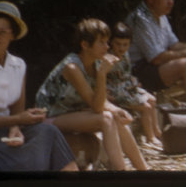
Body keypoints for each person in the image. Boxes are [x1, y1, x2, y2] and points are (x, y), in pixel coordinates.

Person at [0, 1, 78, 172]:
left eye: (2, 32)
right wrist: (17, 120)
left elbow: (17, 111)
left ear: (13, 35)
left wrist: (15, 128)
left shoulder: (18, 65)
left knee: (49, 132)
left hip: (3, 135)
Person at [35, 18, 148, 170]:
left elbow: (99, 102)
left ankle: (144, 170)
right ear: (85, 45)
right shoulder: (73, 68)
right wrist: (102, 75)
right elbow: (96, 107)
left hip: (70, 113)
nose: (107, 47)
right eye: (101, 42)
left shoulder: (95, 63)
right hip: (48, 118)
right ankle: (122, 173)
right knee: (106, 119)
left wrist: (117, 109)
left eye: (107, 42)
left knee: (116, 118)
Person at [106, 22, 162, 151]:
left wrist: (133, 80)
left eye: (125, 44)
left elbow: (126, 73)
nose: (121, 48)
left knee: (152, 99)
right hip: (115, 92)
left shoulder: (125, 55)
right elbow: (101, 77)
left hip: (127, 87)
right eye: (118, 44)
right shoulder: (108, 58)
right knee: (145, 107)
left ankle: (157, 132)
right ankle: (150, 137)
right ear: (111, 42)